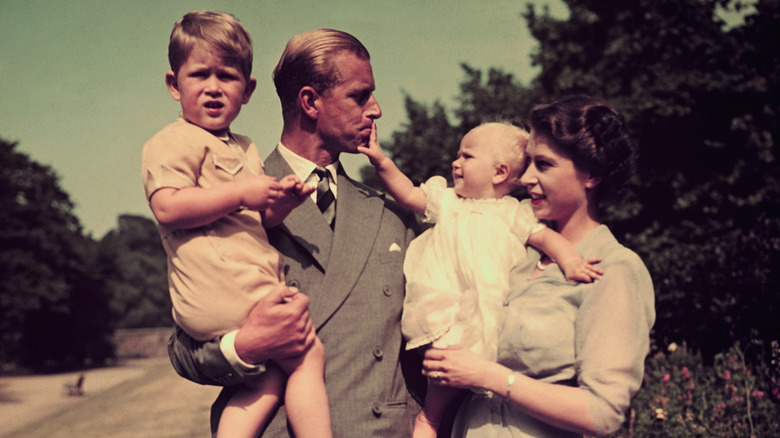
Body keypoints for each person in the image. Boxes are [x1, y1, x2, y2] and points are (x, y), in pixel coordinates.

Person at [166, 28, 423, 437]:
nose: (375, 110)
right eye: (360, 95)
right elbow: (183, 351)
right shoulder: (224, 201)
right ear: (310, 102)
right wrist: (247, 345)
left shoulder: (392, 214)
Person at [141, 11, 330, 438]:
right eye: (199, 75)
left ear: (247, 90)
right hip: (219, 291)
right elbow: (168, 207)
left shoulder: (244, 147)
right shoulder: (172, 141)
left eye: (226, 77)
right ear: (174, 85)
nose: (213, 88)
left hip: (241, 287)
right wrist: (242, 193)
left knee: (266, 377)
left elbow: (257, 220)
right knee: (307, 354)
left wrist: (280, 204)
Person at [420, 96, 655, 437]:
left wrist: (490, 376)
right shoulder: (513, 254)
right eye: (527, 162)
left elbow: (602, 413)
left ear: (591, 175)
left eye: (543, 165)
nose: (526, 177)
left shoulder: (615, 269)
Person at [359, 121, 603, 438]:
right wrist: (380, 159)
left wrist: (571, 262)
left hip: (490, 308)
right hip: (444, 304)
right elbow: (407, 193)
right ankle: (430, 418)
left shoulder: (515, 213)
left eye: (467, 156)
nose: (455, 162)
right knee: (450, 353)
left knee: (482, 362)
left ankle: (468, 415)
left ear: (499, 172)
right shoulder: (447, 202)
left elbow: (548, 241)